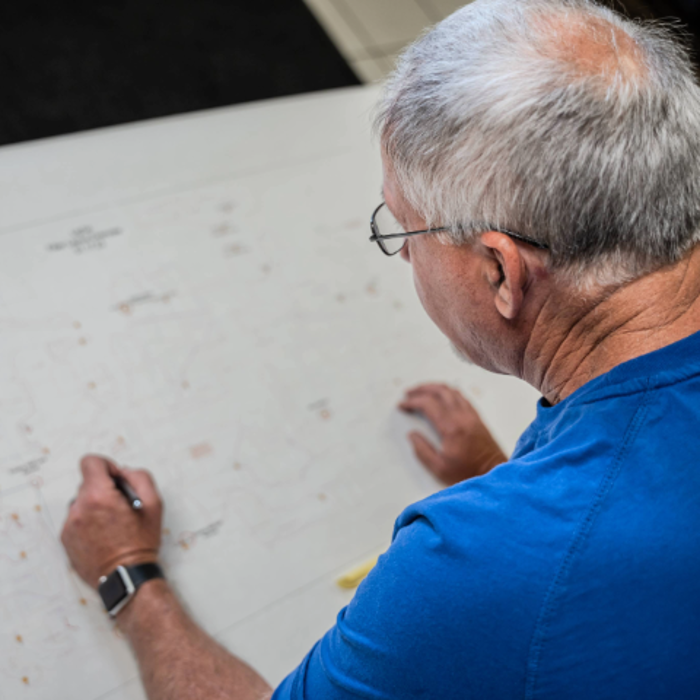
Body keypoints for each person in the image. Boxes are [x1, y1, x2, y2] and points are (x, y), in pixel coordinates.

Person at [61, 0, 700, 697]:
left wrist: (127, 573)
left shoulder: (474, 565)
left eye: (404, 229)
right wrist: (506, 478)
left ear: (499, 272)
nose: (403, 256)